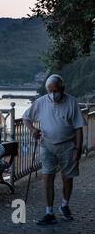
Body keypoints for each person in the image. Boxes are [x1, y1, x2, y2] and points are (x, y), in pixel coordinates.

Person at [23, 74, 87, 225]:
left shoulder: (72, 102)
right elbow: (26, 118)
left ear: (62, 88)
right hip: (47, 145)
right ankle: (49, 212)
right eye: (50, 90)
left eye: (55, 90)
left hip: (68, 145)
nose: (53, 94)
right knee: (47, 177)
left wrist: (78, 149)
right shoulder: (40, 102)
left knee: (67, 178)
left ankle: (64, 205)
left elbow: (78, 128)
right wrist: (33, 129)